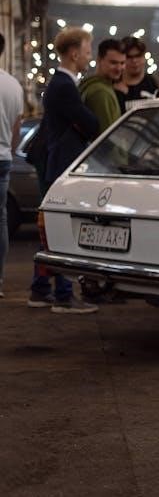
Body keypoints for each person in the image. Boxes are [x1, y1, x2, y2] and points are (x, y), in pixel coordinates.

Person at [28, 27, 100, 314]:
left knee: (51, 229)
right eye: (87, 52)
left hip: (54, 161)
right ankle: (64, 295)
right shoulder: (64, 86)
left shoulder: (58, 84)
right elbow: (91, 124)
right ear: (73, 53)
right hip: (61, 164)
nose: (89, 57)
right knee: (62, 230)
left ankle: (40, 289)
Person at [0, 34, 23, 298]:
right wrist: (10, 150)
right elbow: (17, 129)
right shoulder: (13, 85)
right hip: (4, 159)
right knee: (1, 220)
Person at [79, 38, 124, 135]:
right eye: (113, 63)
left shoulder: (93, 86)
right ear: (99, 60)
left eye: (122, 63)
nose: (119, 68)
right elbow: (108, 137)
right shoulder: (101, 92)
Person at [118, 36, 159, 109]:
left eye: (138, 56)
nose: (134, 61)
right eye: (129, 57)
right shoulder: (113, 87)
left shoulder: (158, 85)